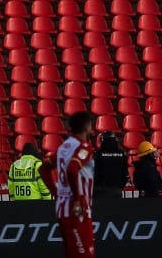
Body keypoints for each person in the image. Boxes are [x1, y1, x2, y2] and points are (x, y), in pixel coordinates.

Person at [55, 110, 96, 258]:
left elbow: (43, 169)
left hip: (62, 207)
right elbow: (72, 169)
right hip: (78, 210)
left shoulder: (62, 147)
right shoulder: (84, 147)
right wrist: (78, 199)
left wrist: (56, 193)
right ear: (87, 127)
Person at [92, 130, 128, 197]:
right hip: (117, 190)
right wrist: (120, 186)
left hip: (101, 191)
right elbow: (125, 173)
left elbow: (95, 172)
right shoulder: (122, 153)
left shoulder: (98, 154)